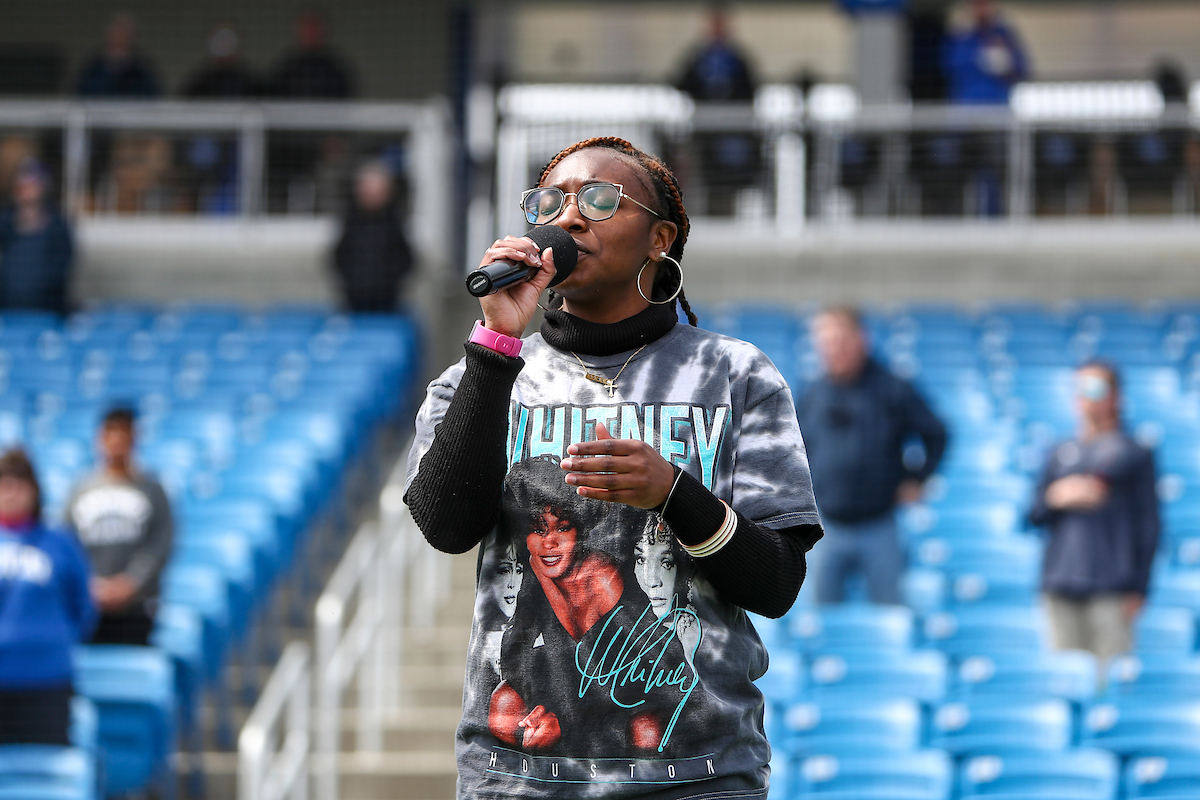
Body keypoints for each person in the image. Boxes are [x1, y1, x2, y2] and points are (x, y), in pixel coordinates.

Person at [405, 136, 822, 797]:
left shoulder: (736, 375)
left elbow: (776, 585)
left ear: (660, 238)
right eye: (550, 202)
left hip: (697, 776)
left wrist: (674, 494)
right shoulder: (479, 375)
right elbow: (446, 527)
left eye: (599, 200)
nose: (568, 217)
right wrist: (496, 345)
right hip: (517, 778)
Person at [797, 307, 948, 605]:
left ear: (861, 339)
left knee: (889, 613)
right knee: (823, 622)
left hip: (879, 526)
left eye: (840, 340)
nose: (833, 349)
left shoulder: (893, 388)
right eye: (825, 342)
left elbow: (936, 434)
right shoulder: (813, 393)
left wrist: (918, 478)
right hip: (826, 528)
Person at [1028, 361, 1159, 666]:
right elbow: (1033, 515)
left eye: (1095, 388)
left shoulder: (1135, 452)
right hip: (1060, 581)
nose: (1085, 396)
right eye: (1079, 388)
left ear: (1116, 396)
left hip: (1112, 585)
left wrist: (1140, 587)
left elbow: (1149, 524)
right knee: (1065, 678)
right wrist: (1056, 496)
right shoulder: (1060, 452)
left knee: (1108, 683)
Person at [0, 449, 96, 745]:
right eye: (4, 484)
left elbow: (83, 608)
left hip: (47, 681)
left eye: (20, 484)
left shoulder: (60, 542)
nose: (11, 493)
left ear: (35, 490)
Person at [65, 407, 173, 646]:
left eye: (124, 434)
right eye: (110, 433)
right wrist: (89, 584)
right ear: (100, 438)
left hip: (136, 607)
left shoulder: (152, 490)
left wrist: (131, 583)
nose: (116, 441)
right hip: (90, 603)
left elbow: (160, 543)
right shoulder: (80, 490)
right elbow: (68, 543)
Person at [676, 7, 761, 217]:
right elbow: (681, 82)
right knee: (698, 174)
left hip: (728, 132)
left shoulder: (736, 59)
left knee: (725, 178)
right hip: (702, 132)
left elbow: (751, 90)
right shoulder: (698, 58)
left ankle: (723, 215)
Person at [331, 161, 414, 312]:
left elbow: (406, 261)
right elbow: (339, 258)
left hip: (387, 302)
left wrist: (387, 281)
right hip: (354, 301)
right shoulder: (351, 223)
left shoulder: (393, 225)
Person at [0, 159, 73, 314]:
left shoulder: (58, 226)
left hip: (45, 308)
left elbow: (61, 269)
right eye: (22, 185)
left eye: (33, 184)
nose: (27, 190)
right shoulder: (5, 223)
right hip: (7, 307)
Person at [942, 0, 1029, 106]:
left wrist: (1006, 61)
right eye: (977, 4)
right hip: (967, 106)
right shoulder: (960, 36)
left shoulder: (1003, 35)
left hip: (998, 105)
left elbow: (1022, 68)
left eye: (985, 4)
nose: (981, 9)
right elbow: (949, 67)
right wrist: (978, 57)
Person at [76, 13, 160, 98]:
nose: (120, 39)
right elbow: (83, 94)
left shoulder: (143, 72)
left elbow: (149, 97)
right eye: (117, 34)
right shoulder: (92, 69)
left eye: (125, 35)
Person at [183, 23, 259, 98]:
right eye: (219, 40)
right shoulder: (198, 82)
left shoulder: (250, 81)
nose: (224, 45)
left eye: (228, 40)